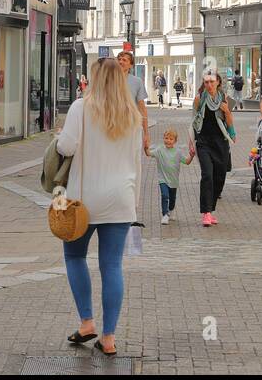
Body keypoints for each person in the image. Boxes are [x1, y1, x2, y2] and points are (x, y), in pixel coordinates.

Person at [55, 58, 141, 357]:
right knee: (112, 266)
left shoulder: (81, 107)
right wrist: (134, 205)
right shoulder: (132, 113)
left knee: (74, 256)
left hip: (84, 200)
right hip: (121, 199)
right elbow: (137, 163)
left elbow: (65, 147)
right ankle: (108, 337)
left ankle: (87, 321)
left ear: (94, 78)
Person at [192, 72, 235, 227]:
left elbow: (229, 121)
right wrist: (191, 142)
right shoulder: (199, 99)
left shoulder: (225, 100)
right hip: (203, 142)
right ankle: (206, 213)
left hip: (220, 142)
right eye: (206, 82)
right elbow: (194, 120)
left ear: (218, 82)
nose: (209, 85)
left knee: (219, 177)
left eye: (211, 81)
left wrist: (227, 111)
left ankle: (211, 208)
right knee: (207, 175)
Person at [147, 127, 194, 224]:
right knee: (165, 195)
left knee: (172, 199)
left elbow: (187, 162)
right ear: (163, 138)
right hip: (162, 179)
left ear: (175, 141)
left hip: (173, 180)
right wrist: (145, 147)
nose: (168, 140)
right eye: (166, 138)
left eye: (171, 139)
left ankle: (171, 210)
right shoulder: (159, 150)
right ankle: (165, 215)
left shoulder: (178, 152)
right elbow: (148, 153)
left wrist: (192, 155)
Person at [116, 51, 150, 152]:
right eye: (119, 59)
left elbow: (142, 109)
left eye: (124, 60)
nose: (121, 62)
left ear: (131, 65)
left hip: (131, 128)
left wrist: (146, 134)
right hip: (113, 127)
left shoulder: (137, 81)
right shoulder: (109, 80)